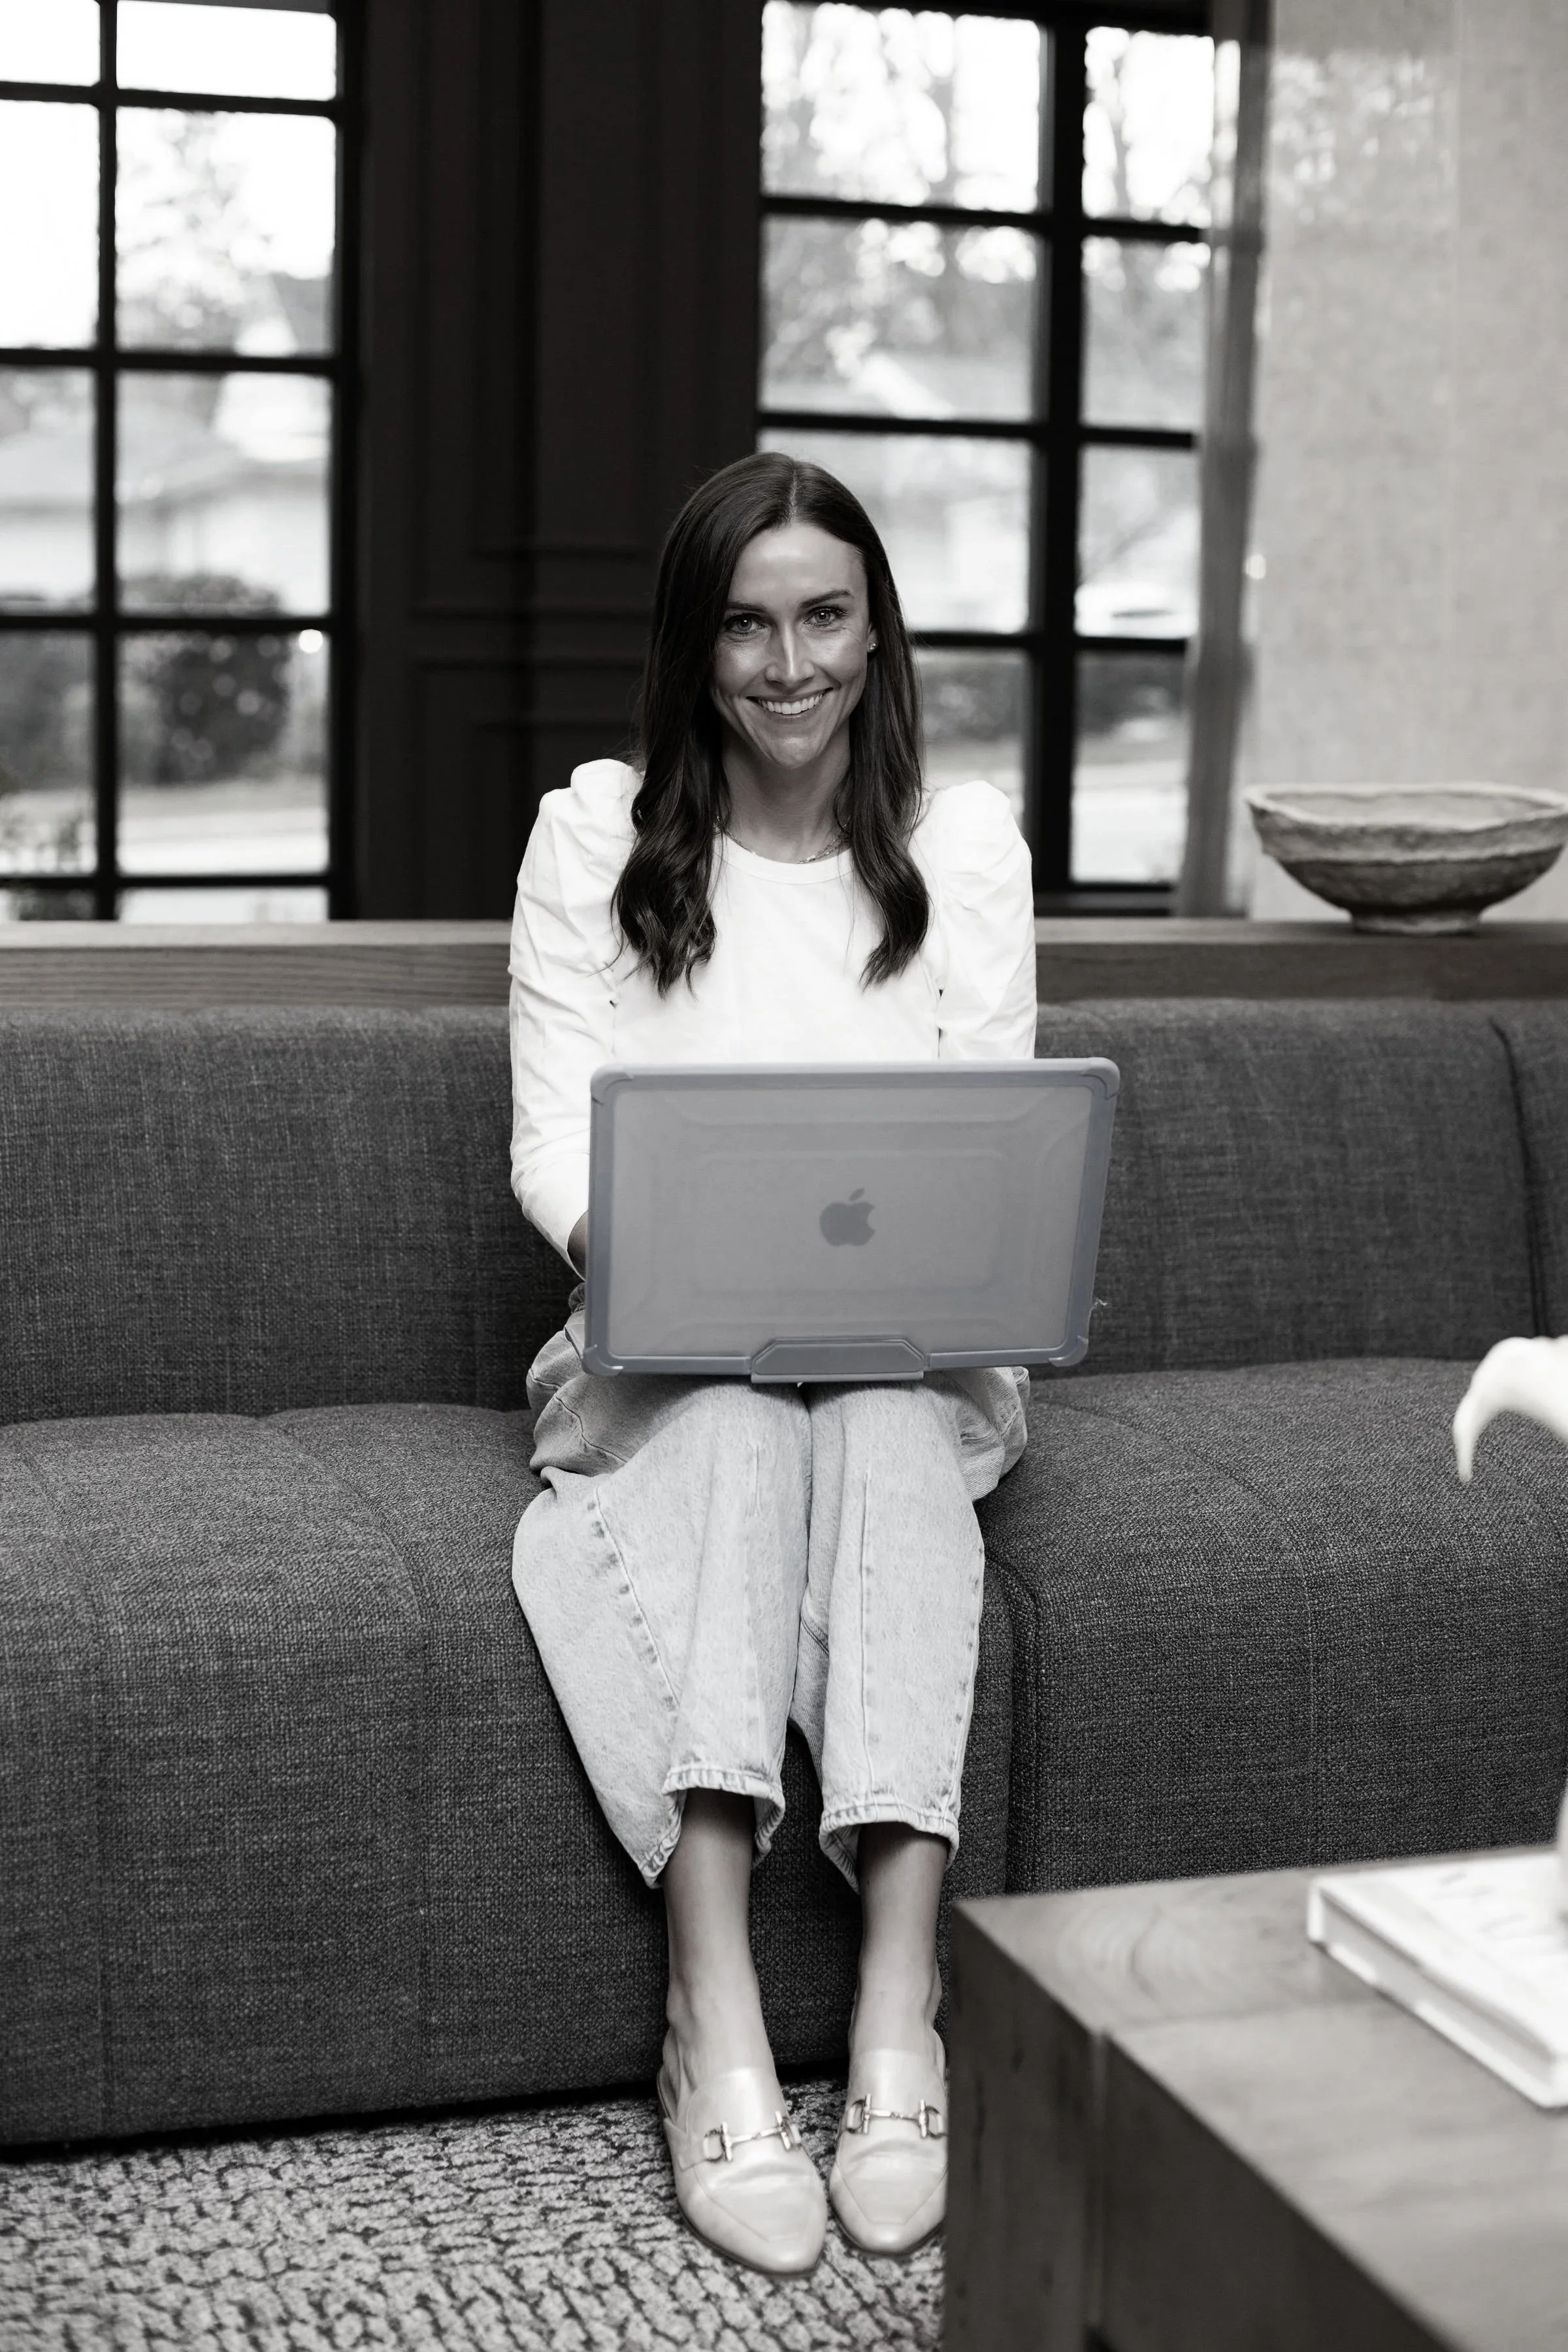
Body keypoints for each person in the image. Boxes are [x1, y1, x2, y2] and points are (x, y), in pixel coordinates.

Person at [508, 451, 1036, 2274]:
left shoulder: (961, 849)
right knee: (737, 1418)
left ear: (875, 630)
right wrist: (667, 1270)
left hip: (916, 1355)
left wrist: (907, 1292)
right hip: (661, 1347)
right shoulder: (597, 838)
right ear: (695, 645)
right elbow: (551, 1150)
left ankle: (902, 2016)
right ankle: (710, 2015)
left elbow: (993, 1148)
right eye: (745, 623)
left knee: (883, 1426)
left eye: (823, 615)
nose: (788, 662)